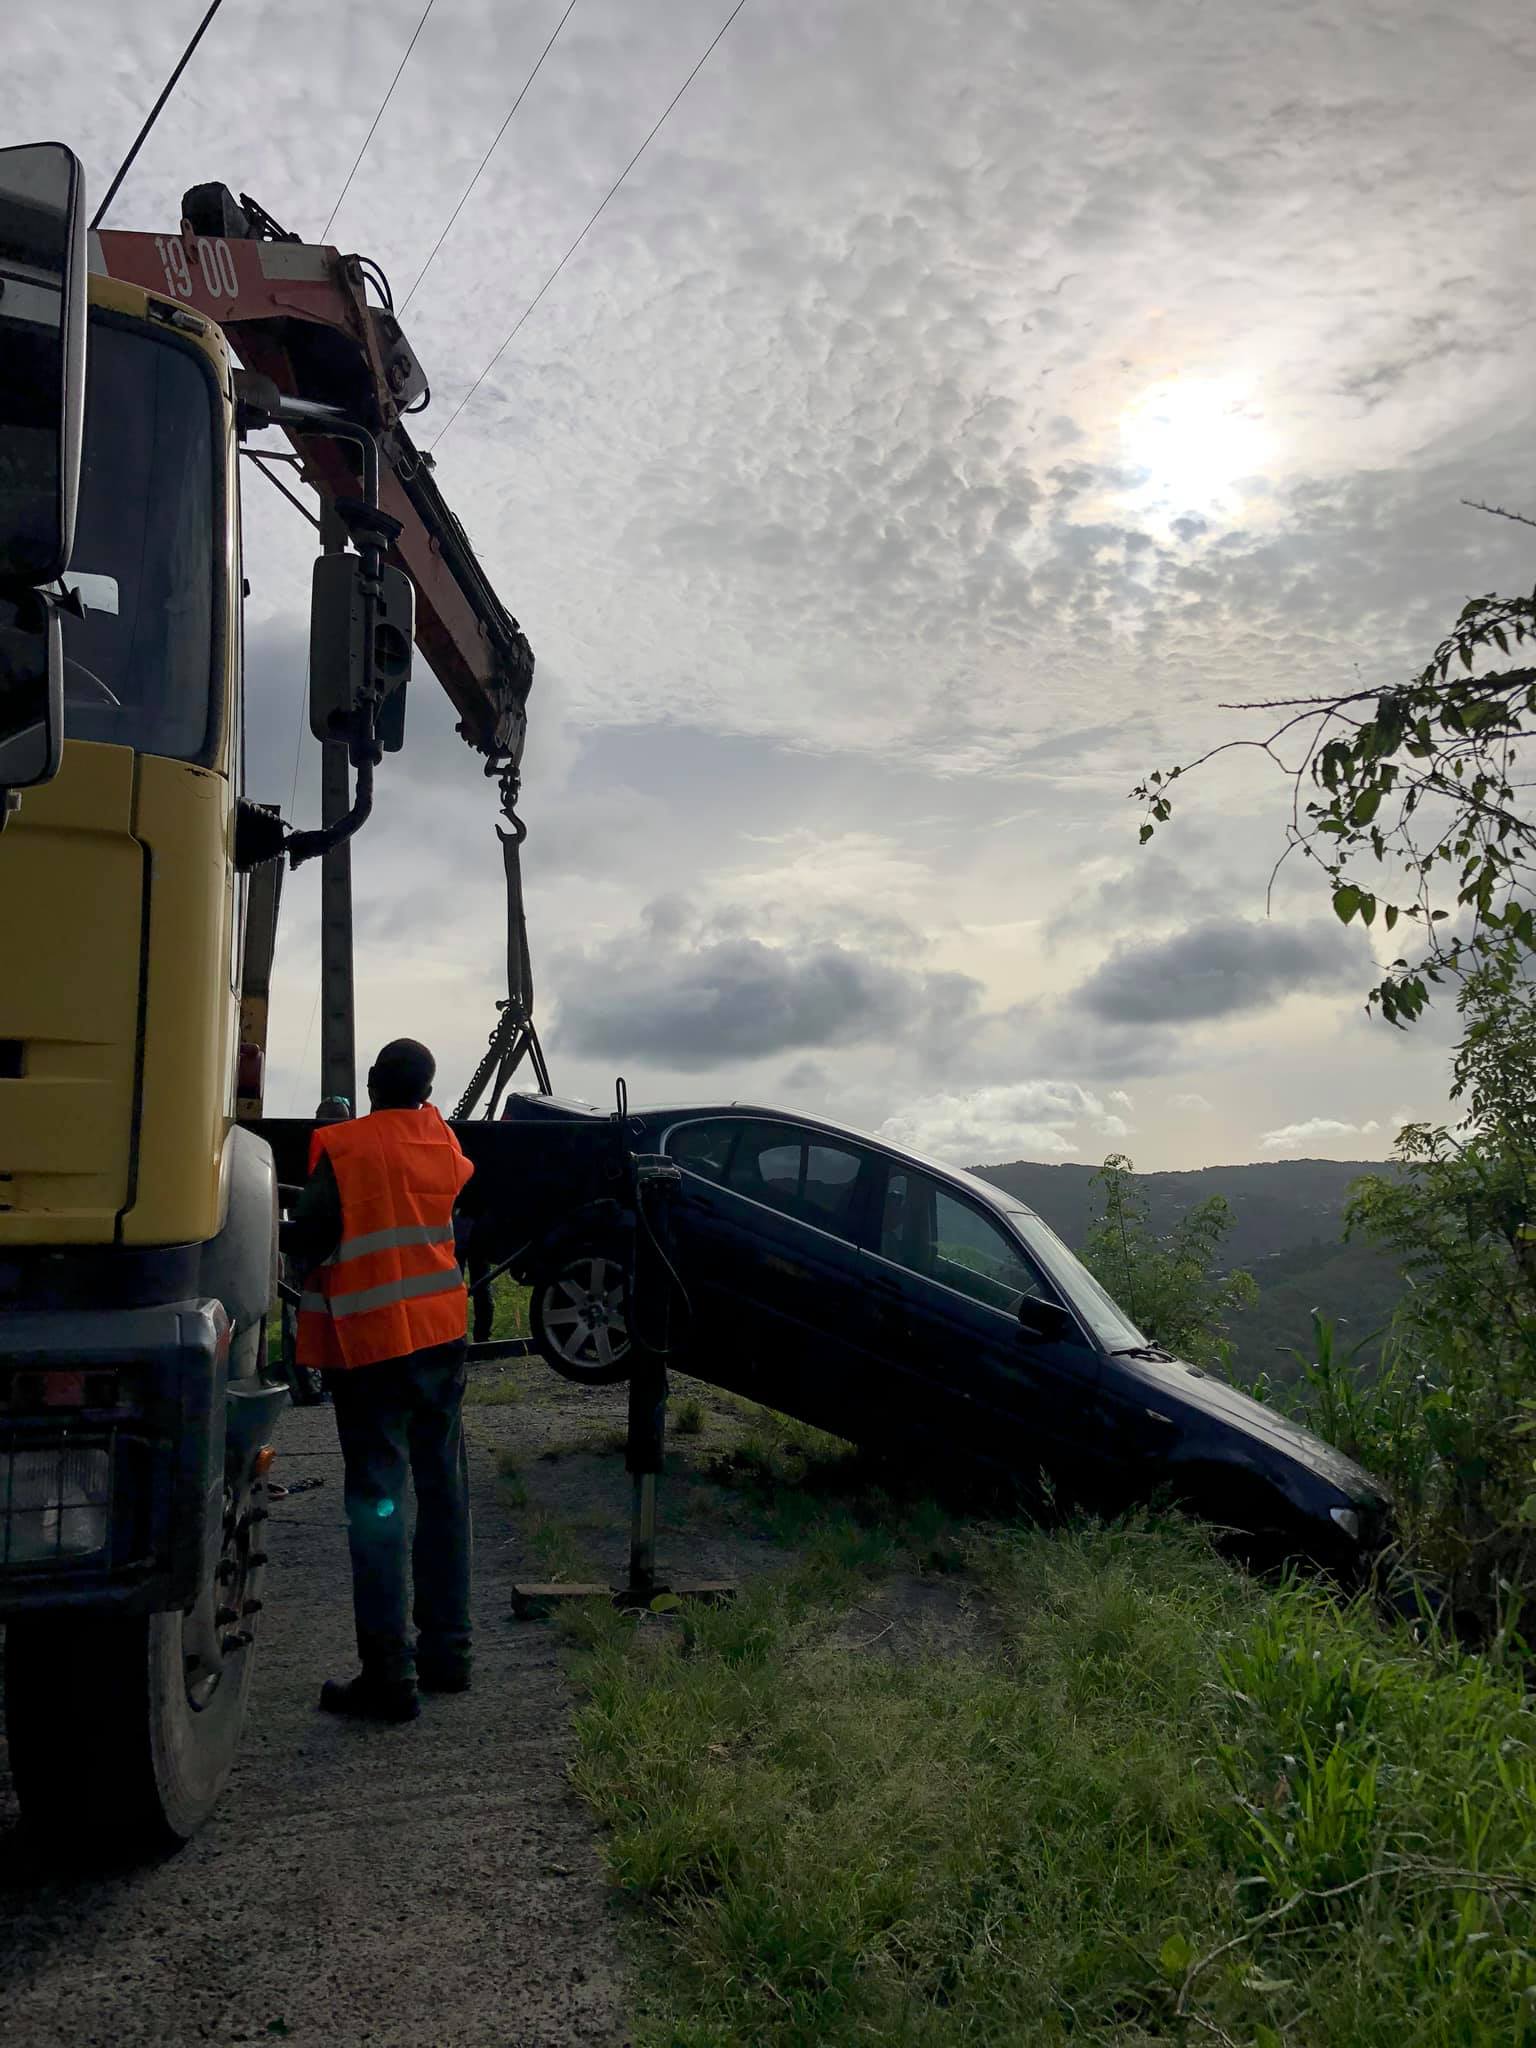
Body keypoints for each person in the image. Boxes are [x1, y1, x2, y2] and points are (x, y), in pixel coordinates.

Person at [283, 1038, 475, 1723]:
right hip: (441, 1339)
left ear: (371, 1082)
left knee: (378, 1503)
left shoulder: (347, 1147)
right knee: (443, 1493)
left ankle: (389, 1676)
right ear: (427, 1090)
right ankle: (449, 1655)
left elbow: (310, 1235)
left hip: (373, 1348)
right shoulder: (442, 1142)